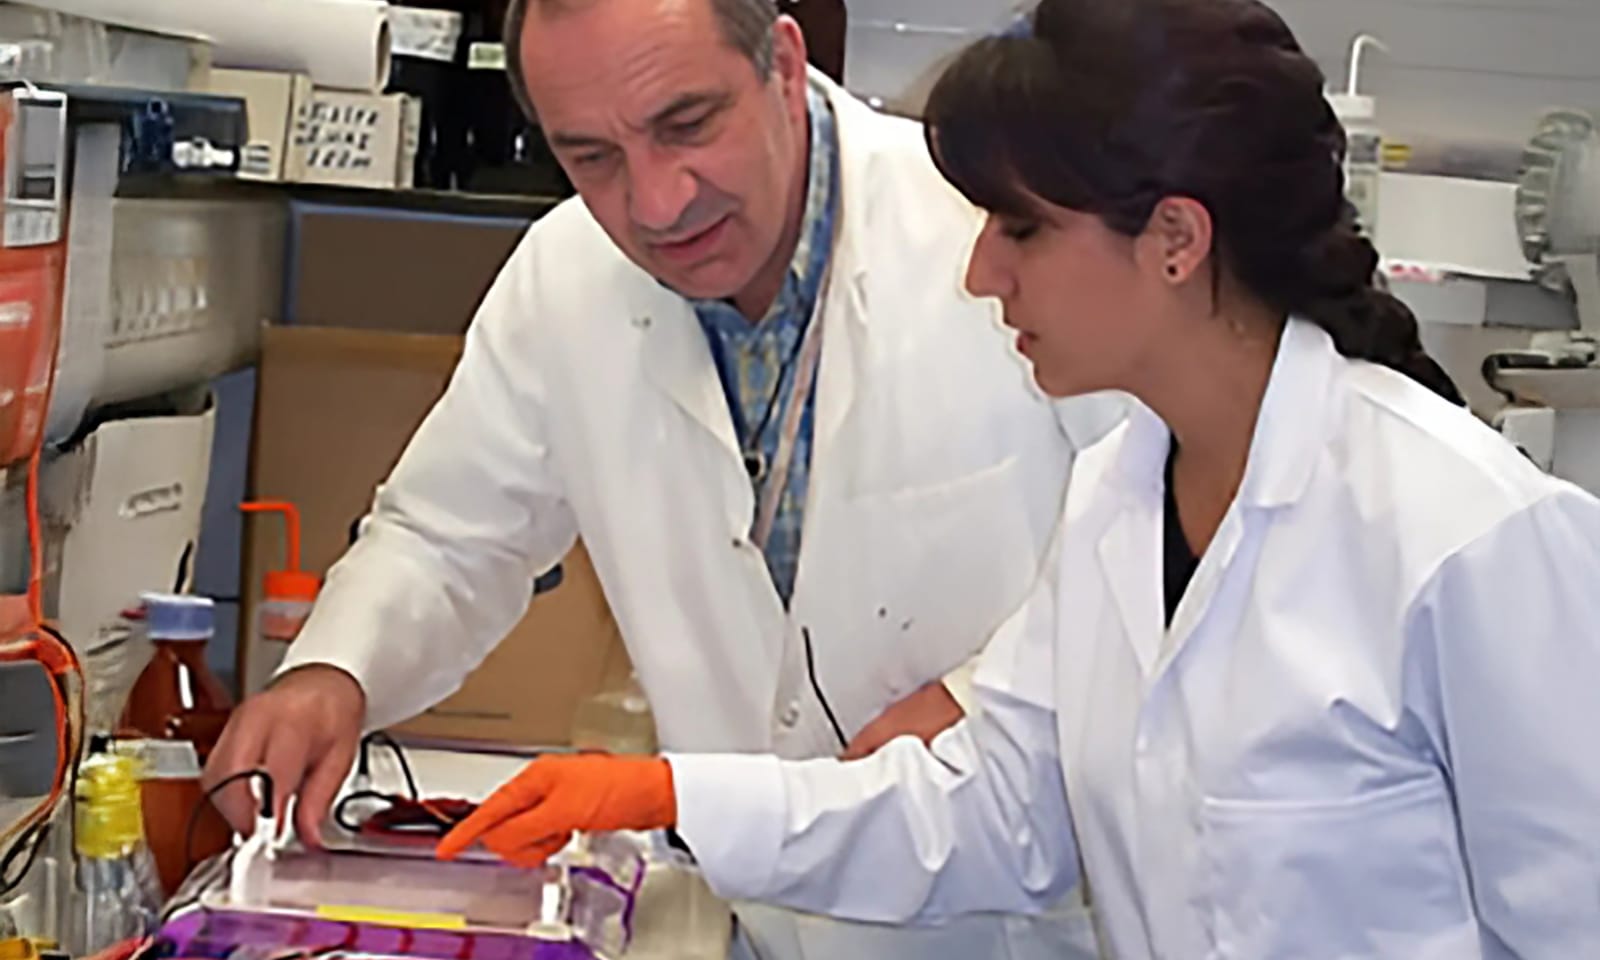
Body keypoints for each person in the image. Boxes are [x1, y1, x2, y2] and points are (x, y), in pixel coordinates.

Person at [435, 0, 1600, 957]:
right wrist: (673, 799)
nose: (980, 270)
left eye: (1020, 230)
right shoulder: (1119, 501)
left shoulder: (1470, 539)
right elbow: (992, 811)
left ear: (1176, 240)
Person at [204, 0, 1117, 957]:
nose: (655, 202)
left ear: (783, 63)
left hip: (1019, 923)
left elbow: (1156, 554)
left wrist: (979, 695)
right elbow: (448, 535)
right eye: (591, 156)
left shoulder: (992, 230)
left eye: (688, 124)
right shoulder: (567, 277)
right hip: (763, 921)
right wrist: (331, 673)